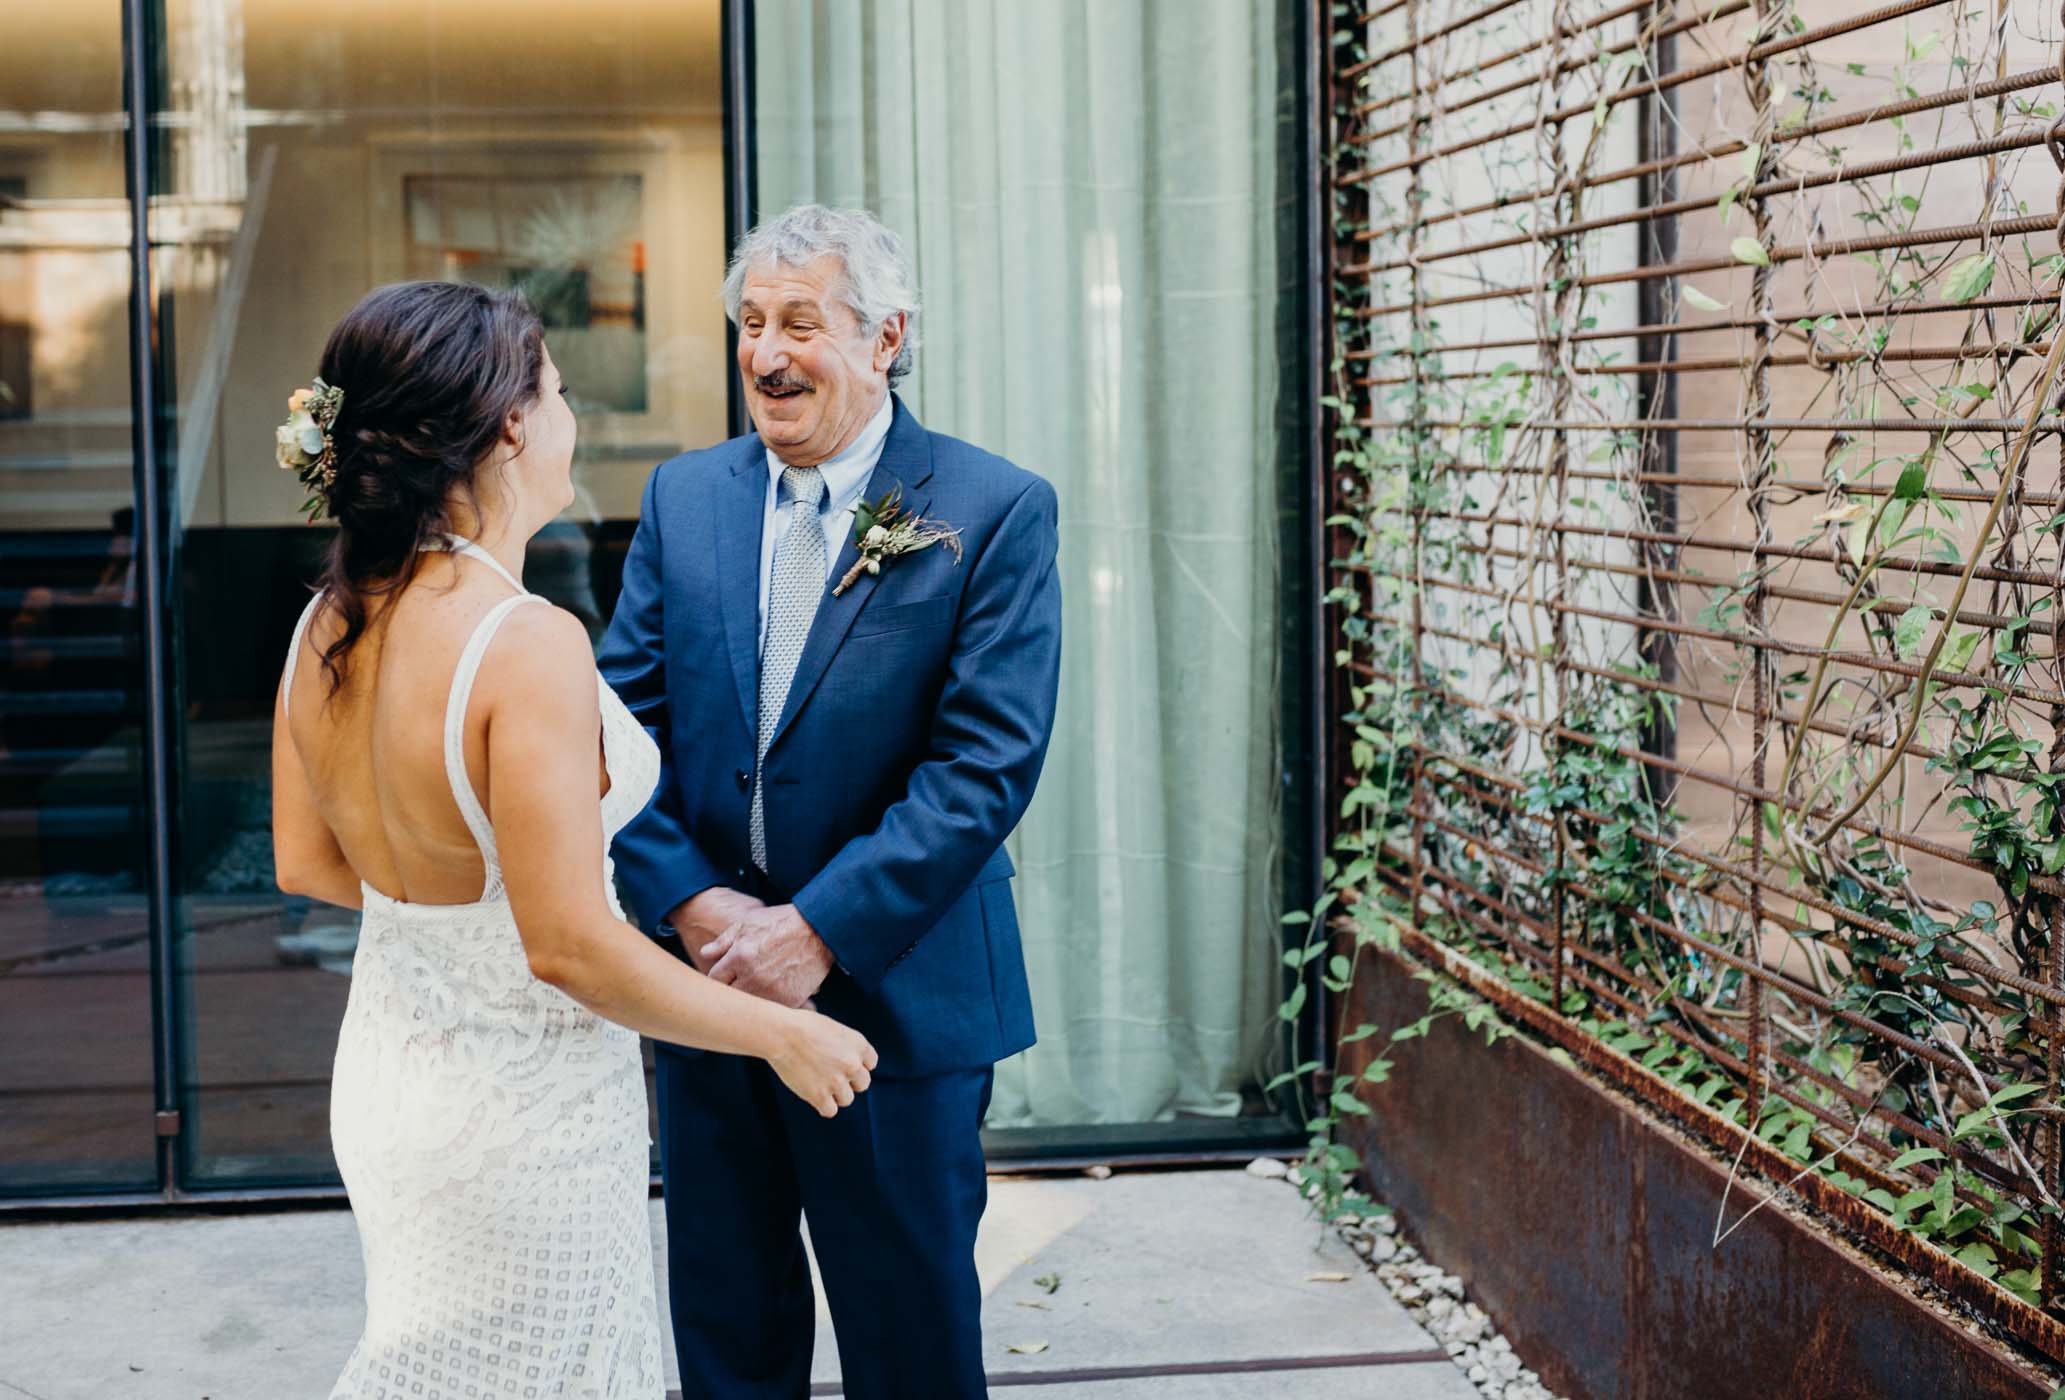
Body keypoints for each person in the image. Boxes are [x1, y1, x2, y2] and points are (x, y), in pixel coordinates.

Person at [269, 279, 876, 1400]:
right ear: (508, 424)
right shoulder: (525, 640)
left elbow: (308, 864)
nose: (566, 419)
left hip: (394, 1086)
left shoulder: (327, 620)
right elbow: (568, 945)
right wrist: (780, 1035)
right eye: (555, 392)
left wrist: (465, 928)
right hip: (525, 1121)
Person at [600, 204, 1063, 1399]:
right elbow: (613, 737)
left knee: (908, 1339)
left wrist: (810, 934)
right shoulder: (683, 498)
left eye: (800, 322)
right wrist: (698, 914)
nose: (765, 353)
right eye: (751, 323)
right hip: (707, 1002)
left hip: (895, 1010)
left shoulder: (992, 507)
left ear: (885, 337)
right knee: (726, 1329)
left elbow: (983, 767)